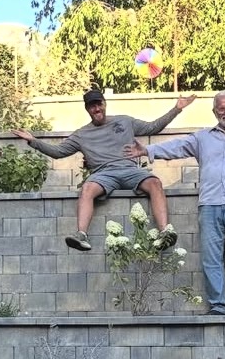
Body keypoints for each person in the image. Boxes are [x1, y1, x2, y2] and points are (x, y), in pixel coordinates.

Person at [127, 91, 225, 315]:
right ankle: (218, 306)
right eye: (221, 108)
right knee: (211, 258)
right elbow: (177, 146)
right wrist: (147, 150)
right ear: (214, 111)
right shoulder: (202, 137)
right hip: (210, 204)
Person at [12, 89, 195, 252]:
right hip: (103, 174)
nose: (97, 109)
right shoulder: (82, 134)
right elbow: (58, 152)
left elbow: (153, 127)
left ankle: (164, 233)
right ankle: (81, 235)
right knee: (87, 188)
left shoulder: (125, 121)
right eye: (92, 106)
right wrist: (33, 141)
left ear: (104, 104)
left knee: (155, 182)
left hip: (130, 169)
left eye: (99, 104)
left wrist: (177, 108)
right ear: (87, 109)